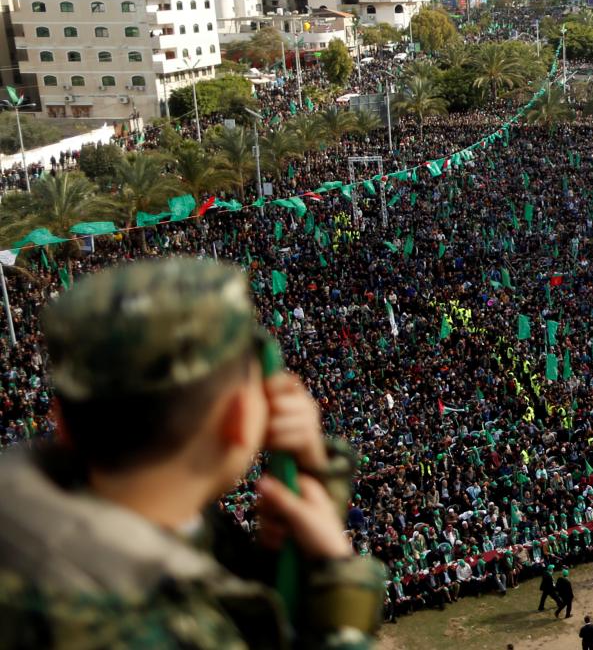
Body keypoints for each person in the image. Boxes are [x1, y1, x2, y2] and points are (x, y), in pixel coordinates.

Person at [0, 259, 385, 648]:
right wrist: (341, 597)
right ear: (237, 419)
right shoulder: (133, 628)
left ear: (61, 420)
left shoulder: (35, 536)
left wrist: (308, 479)